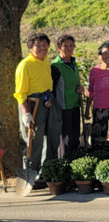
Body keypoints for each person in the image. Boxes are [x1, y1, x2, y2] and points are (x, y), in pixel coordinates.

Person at [14, 33, 60, 174]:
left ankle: (47, 172)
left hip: (48, 100)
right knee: (34, 140)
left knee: (53, 135)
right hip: (33, 103)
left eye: (45, 44)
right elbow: (20, 93)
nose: (42, 48)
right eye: (38, 45)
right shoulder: (25, 65)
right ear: (30, 48)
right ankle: (31, 173)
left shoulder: (45, 60)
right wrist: (26, 113)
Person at [51, 34, 84, 156]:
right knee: (65, 139)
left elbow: (74, 82)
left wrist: (80, 87)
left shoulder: (73, 62)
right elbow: (52, 89)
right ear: (59, 48)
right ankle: (64, 162)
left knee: (75, 135)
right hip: (63, 107)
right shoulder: (55, 66)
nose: (69, 48)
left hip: (75, 103)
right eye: (65, 46)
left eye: (71, 45)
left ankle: (74, 160)